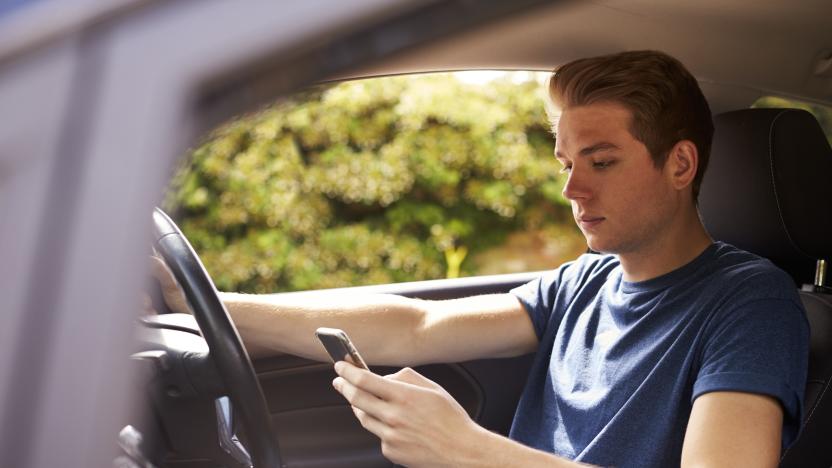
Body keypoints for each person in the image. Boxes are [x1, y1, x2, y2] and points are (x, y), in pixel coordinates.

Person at [155, 50, 809, 467]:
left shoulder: (750, 303)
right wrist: (200, 305)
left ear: (680, 164)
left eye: (602, 163)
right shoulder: (585, 282)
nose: (572, 190)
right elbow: (417, 327)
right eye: (567, 164)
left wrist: (466, 448)